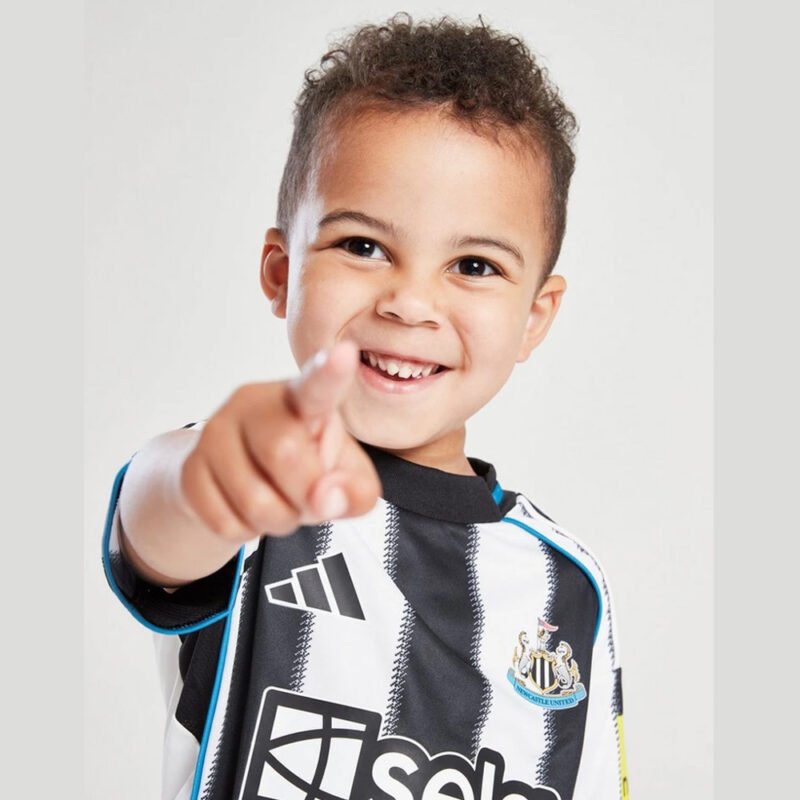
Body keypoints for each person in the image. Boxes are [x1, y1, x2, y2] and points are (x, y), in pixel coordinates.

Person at [102, 12, 629, 800]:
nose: (410, 303)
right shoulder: (253, 482)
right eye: (363, 246)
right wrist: (206, 478)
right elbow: (163, 521)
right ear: (281, 270)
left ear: (535, 317)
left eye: (473, 265)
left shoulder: (565, 588)